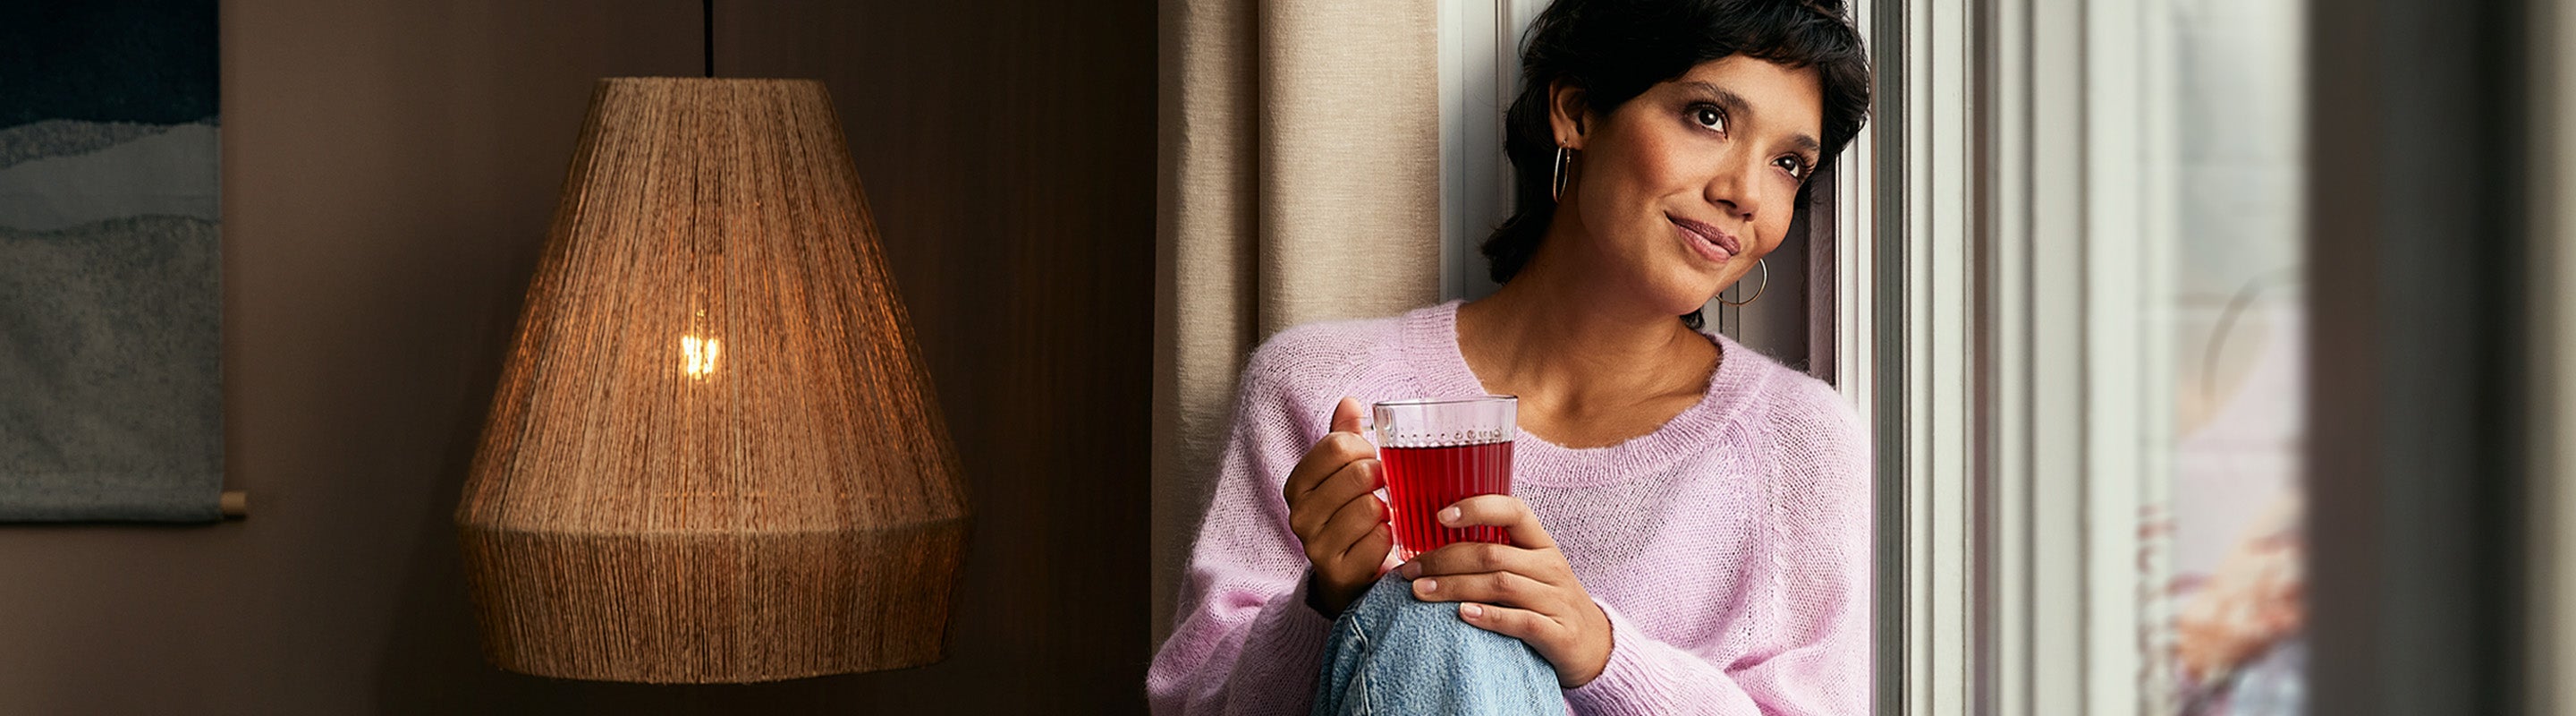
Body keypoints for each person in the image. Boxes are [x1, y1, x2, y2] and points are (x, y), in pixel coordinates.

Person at [1148, 0, 1872, 712]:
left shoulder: (1799, 441)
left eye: (1787, 164)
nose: (1745, 193)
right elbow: (1191, 702)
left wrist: (1601, 654)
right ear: (1578, 111)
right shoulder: (1318, 386)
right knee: (1436, 605)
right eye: (1708, 117)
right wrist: (1326, 603)